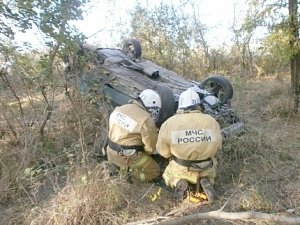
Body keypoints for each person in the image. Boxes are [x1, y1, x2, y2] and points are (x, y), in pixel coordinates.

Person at [156, 89, 222, 203]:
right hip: (206, 166)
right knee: (211, 172)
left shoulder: (169, 123)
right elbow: (218, 146)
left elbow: (163, 152)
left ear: (180, 105)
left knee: (168, 175)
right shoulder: (211, 121)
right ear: (198, 104)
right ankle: (206, 181)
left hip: (182, 167)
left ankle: (178, 182)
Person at [105, 89, 162, 182]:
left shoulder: (120, 109)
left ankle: (117, 167)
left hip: (110, 151)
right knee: (155, 172)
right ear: (152, 107)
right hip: (127, 156)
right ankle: (129, 176)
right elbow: (151, 149)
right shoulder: (145, 119)